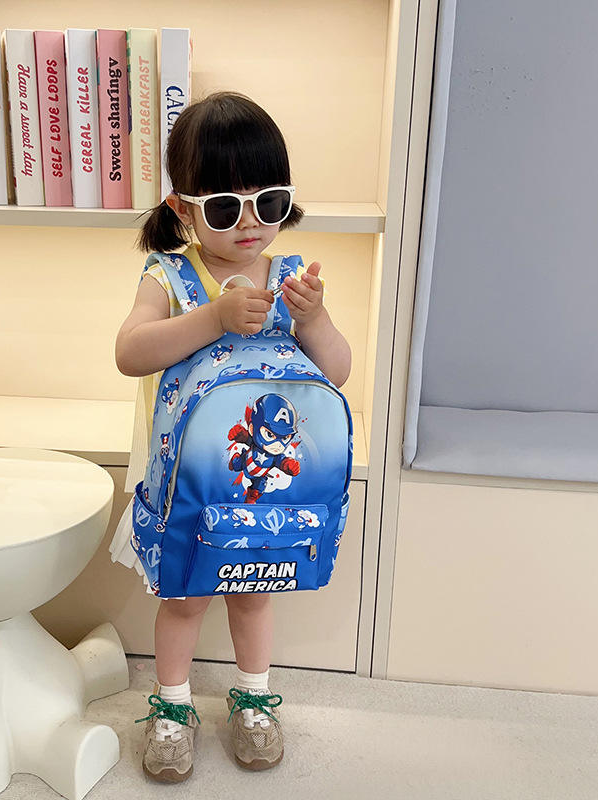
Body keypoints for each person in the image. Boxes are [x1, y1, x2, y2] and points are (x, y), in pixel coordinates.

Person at [112, 91, 351, 783]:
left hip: (269, 484)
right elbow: (130, 352)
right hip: (194, 482)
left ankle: (253, 696)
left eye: (268, 202)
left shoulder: (291, 276)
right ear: (182, 209)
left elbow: (335, 373)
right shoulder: (169, 275)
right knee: (185, 597)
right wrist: (213, 318)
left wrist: (314, 320)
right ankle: (172, 705)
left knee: (254, 592)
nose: (249, 222)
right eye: (224, 207)